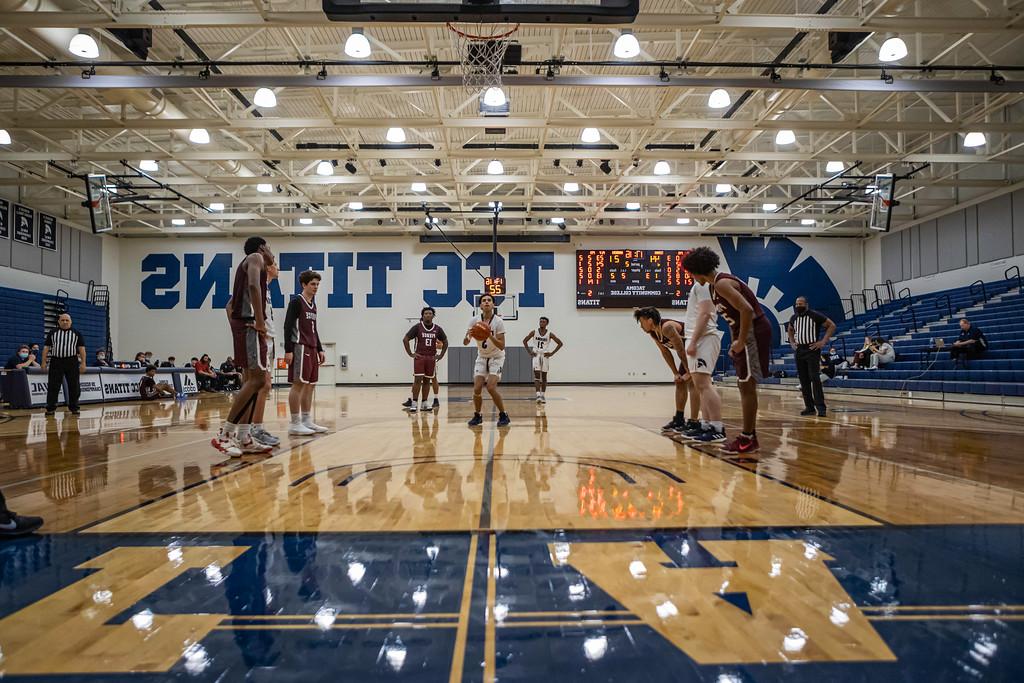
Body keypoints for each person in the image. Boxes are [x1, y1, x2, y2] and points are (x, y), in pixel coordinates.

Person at [682, 247, 773, 455]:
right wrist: (735, 342)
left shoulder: (722, 283)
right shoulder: (715, 287)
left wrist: (741, 341)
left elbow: (747, 310)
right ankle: (747, 436)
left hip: (753, 331)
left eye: (691, 273)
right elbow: (735, 319)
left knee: (747, 386)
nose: (692, 277)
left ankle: (748, 438)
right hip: (744, 332)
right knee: (744, 385)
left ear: (697, 270)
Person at [211, 235, 276, 456]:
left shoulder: (251, 263)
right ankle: (225, 434)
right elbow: (252, 285)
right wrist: (258, 320)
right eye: (270, 248)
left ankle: (244, 437)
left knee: (253, 382)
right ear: (261, 247)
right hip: (250, 326)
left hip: (245, 327)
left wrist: (236, 327)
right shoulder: (256, 257)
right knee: (258, 379)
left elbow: (229, 305)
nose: (271, 253)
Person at [633, 307, 700, 435]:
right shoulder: (653, 333)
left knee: (693, 384)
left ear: (650, 320)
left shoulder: (667, 327)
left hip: (698, 348)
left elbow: (680, 350)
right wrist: (675, 373)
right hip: (687, 353)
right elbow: (665, 352)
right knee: (680, 383)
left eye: (641, 322)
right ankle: (679, 419)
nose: (641, 326)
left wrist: (689, 372)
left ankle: (694, 422)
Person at [680, 279, 727, 443]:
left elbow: (706, 313)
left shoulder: (703, 284)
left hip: (704, 338)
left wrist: (693, 341)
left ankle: (717, 428)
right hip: (698, 338)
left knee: (705, 384)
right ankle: (706, 425)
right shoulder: (699, 285)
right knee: (700, 386)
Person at [284, 269, 329, 434]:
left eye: (317, 284)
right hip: (299, 346)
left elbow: (313, 329)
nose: (316, 287)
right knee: (298, 384)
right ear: (304, 284)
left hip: (311, 347)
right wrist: (288, 350)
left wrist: (320, 348)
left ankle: (306, 420)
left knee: (310, 385)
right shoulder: (296, 302)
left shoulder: (313, 304)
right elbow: (288, 326)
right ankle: (294, 423)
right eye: (312, 284)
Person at [464, 294, 510, 428]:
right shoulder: (474, 321)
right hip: (482, 356)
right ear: (480, 305)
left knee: (490, 387)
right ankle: (477, 415)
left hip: (497, 356)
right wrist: (468, 337)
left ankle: (503, 414)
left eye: (489, 300)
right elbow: (465, 342)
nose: (486, 302)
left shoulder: (498, 322)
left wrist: (488, 334)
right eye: (484, 300)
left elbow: (502, 346)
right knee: (477, 388)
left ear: (493, 304)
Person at [787, 296, 836, 417]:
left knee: (815, 378)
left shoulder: (815, 315)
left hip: (812, 349)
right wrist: (792, 343)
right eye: (797, 304)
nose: (798, 306)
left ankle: (821, 407)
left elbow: (831, 325)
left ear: (806, 304)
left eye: (801, 304)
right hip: (799, 350)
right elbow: (790, 329)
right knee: (803, 379)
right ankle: (809, 407)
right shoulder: (794, 317)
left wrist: (823, 342)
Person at [402, 306, 448, 413]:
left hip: (431, 358)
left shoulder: (438, 329)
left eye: (430, 313)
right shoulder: (417, 327)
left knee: (427, 381)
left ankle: (424, 403)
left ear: (433, 316)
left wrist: (440, 355)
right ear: (422, 316)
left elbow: (445, 342)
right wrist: (410, 353)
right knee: (417, 380)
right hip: (420, 357)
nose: (428, 315)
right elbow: (405, 339)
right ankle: (414, 403)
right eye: (426, 313)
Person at [41, 313, 86, 417]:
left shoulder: (77, 333)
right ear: (59, 321)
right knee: (53, 385)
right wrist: (43, 362)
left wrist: (83, 363)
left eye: (67, 320)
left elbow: (82, 349)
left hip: (72, 361)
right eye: (62, 320)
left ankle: (74, 407)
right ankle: (51, 408)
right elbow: (46, 348)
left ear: (71, 322)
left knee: (74, 385)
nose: (65, 322)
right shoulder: (52, 333)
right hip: (56, 361)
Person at [523, 316, 564, 403]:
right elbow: (524, 341)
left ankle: (543, 395)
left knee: (544, 377)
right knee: (537, 376)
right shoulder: (534, 332)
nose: (541, 323)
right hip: (536, 355)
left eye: (543, 322)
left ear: (547, 323)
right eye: (540, 321)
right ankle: (538, 395)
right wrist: (530, 352)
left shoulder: (550, 334)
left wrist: (552, 353)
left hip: (545, 355)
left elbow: (560, 343)